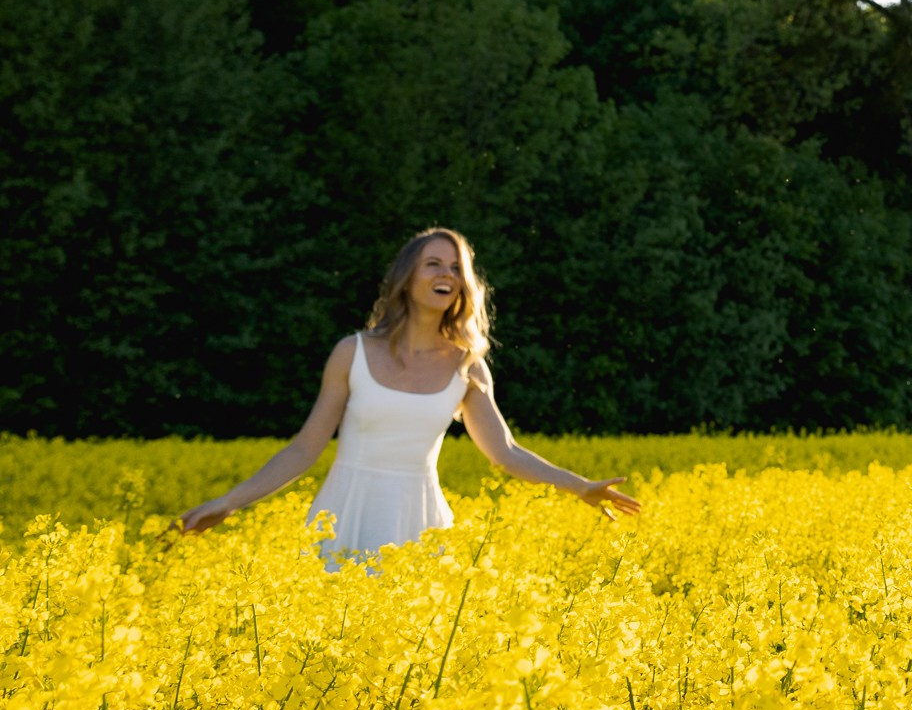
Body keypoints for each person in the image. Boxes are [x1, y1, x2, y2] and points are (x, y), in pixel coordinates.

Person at [179, 227, 639, 564]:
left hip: (419, 518)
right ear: (406, 278)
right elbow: (303, 449)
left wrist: (579, 486)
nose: (449, 274)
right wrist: (230, 502)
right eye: (435, 264)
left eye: (458, 267)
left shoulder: (467, 365)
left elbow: (505, 452)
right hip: (345, 510)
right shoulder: (352, 353)